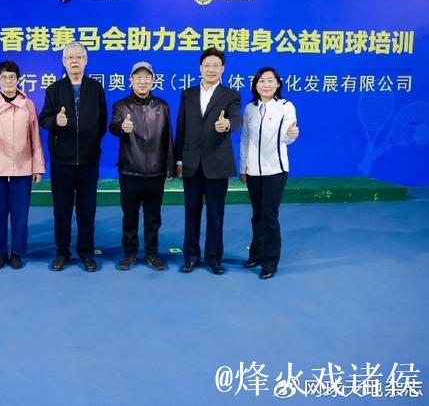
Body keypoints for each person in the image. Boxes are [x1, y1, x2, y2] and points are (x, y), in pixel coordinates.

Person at [39, 41, 107, 272]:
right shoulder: (54, 90)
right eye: (70, 57)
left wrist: (90, 143)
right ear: (64, 61)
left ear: (85, 60)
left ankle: (86, 253)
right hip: (62, 161)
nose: (74, 61)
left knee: (87, 210)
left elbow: (102, 122)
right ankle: (62, 253)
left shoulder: (95, 88)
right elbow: (43, 120)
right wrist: (55, 122)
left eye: (79, 57)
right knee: (62, 209)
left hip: (88, 160)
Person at [174, 47, 241, 275]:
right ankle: (190, 257)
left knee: (215, 215)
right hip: (191, 164)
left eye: (215, 66)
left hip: (217, 164)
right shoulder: (188, 94)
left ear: (223, 69)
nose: (211, 69)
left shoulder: (231, 95)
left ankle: (214, 258)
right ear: (200, 68)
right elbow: (181, 127)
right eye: (207, 65)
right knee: (191, 214)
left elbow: (236, 118)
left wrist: (227, 125)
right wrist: (179, 160)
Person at [0, 60, 45, 269]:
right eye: (3, 78)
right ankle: (0, 252)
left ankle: (17, 253)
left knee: (20, 213)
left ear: (18, 79)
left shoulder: (28, 104)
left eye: (11, 77)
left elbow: (35, 138)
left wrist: (37, 167)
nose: (8, 81)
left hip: (22, 166)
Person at [109, 61, 174, 271]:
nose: (143, 81)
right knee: (130, 217)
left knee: (153, 218)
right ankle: (129, 253)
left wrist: (170, 167)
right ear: (131, 80)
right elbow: (113, 126)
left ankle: (152, 254)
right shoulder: (121, 106)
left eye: (147, 77)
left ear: (153, 80)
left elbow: (168, 138)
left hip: (156, 172)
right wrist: (122, 126)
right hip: (130, 171)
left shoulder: (162, 106)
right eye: (138, 77)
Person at [240, 66, 299, 279]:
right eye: (261, 81)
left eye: (270, 80)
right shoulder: (249, 109)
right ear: (255, 85)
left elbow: (287, 137)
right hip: (253, 172)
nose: (266, 85)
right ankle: (256, 254)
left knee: (269, 216)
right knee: (257, 215)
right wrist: (243, 167)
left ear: (278, 84)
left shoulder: (285, 106)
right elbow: (245, 139)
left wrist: (292, 134)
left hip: (276, 169)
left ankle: (270, 262)